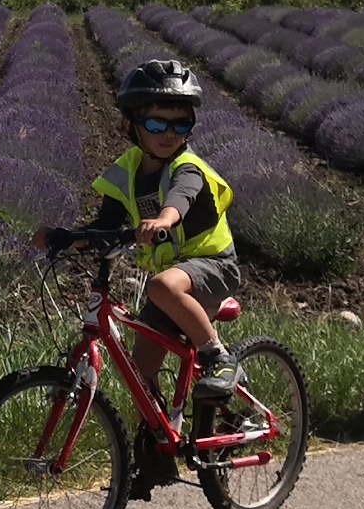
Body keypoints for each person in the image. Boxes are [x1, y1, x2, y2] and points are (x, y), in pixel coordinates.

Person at [46, 57, 245, 404]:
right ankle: (157, 443)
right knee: (140, 371)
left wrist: (165, 219)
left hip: (214, 267)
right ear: (130, 125)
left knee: (160, 285)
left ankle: (219, 358)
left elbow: (180, 199)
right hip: (173, 281)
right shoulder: (126, 170)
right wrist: (63, 237)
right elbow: (105, 226)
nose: (170, 134)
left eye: (181, 125)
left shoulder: (188, 168)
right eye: (157, 124)